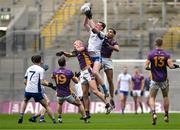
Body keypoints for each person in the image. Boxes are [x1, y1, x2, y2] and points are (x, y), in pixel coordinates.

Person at [56, 40, 113, 117]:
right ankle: (87, 112)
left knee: (95, 91)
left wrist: (71, 51)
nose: (74, 45)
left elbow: (77, 50)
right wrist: (63, 52)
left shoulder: (83, 48)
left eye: (75, 44)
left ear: (80, 44)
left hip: (88, 71)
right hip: (83, 73)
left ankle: (108, 104)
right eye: (74, 44)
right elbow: (69, 55)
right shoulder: (77, 51)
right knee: (85, 94)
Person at [145, 38, 180, 125]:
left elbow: (146, 66)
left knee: (152, 97)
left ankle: (153, 113)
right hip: (164, 79)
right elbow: (171, 66)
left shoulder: (151, 54)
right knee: (165, 96)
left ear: (155, 44)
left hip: (154, 80)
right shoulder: (166, 54)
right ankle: (166, 115)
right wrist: (178, 66)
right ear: (162, 44)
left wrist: (152, 68)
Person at [18, 55, 56, 124]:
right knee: (46, 105)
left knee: (25, 100)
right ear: (40, 60)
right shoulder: (40, 69)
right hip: (36, 91)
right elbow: (42, 82)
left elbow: (24, 81)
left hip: (28, 90)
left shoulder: (29, 68)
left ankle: (21, 116)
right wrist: (49, 85)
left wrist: (30, 85)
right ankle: (53, 120)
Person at [51, 56, 88, 123]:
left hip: (59, 94)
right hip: (68, 93)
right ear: (65, 63)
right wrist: (76, 76)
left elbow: (52, 77)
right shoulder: (68, 72)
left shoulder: (55, 71)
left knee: (60, 104)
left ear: (58, 63)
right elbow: (76, 81)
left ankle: (59, 118)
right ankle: (85, 118)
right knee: (79, 104)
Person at [83, 5, 109, 97]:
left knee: (94, 72)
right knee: (88, 75)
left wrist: (89, 15)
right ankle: (95, 89)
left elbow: (93, 28)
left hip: (97, 57)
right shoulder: (92, 32)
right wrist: (87, 15)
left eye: (99, 25)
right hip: (89, 58)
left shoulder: (102, 34)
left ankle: (105, 89)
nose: (97, 25)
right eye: (96, 24)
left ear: (102, 28)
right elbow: (85, 24)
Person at [101, 28, 119, 108]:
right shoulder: (103, 38)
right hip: (100, 58)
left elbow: (117, 49)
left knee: (110, 80)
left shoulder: (113, 42)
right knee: (94, 73)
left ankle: (112, 98)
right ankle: (101, 90)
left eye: (111, 32)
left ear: (114, 34)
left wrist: (110, 46)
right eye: (108, 31)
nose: (108, 32)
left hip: (108, 60)